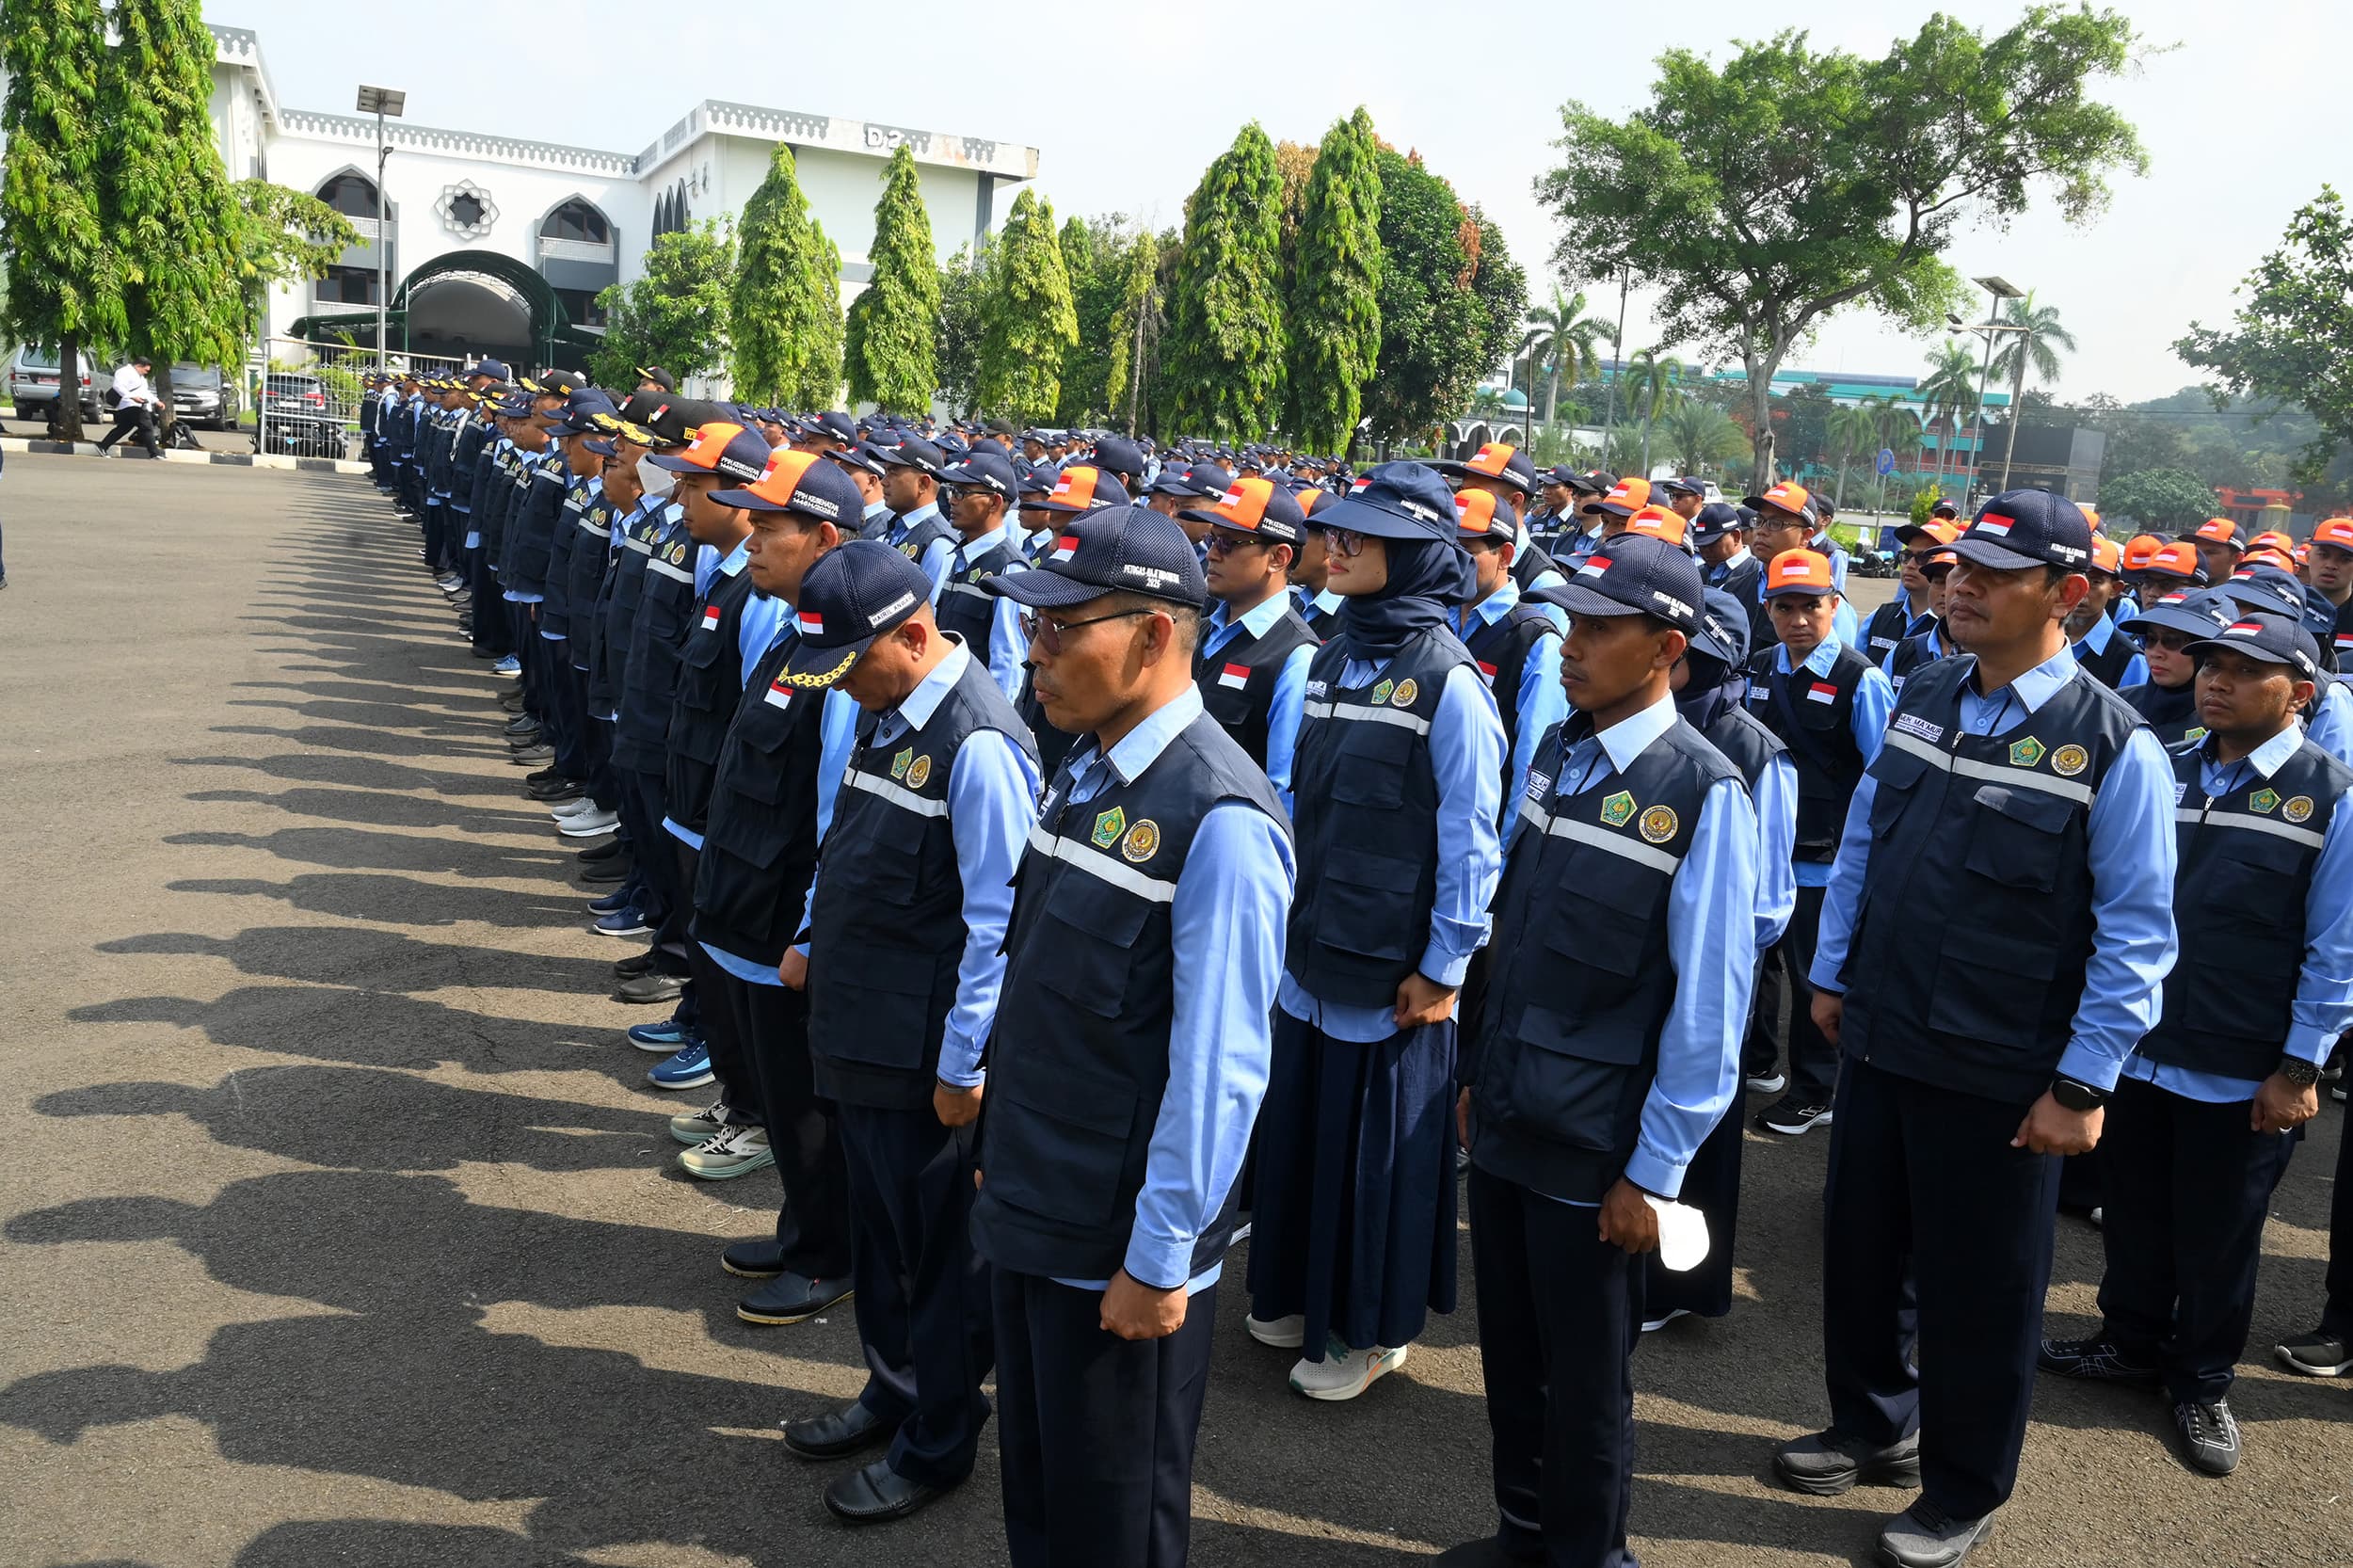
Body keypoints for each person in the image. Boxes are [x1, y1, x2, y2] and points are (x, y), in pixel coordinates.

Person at [1778, 489, 2177, 1568]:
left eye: (1995, 574)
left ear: (2068, 593)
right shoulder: (1925, 690)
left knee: (1980, 1288)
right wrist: (1831, 972)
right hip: (1882, 1030)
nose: (1960, 585)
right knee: (1863, 1251)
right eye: (1959, 567)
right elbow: (1865, 841)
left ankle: (1962, 1486)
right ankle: (1873, 1422)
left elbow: (2137, 935)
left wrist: (2082, 1083)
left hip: (2001, 1066)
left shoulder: (2113, 744)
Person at [972, 506, 1293, 1568]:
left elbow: (1219, 1070)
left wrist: (1160, 1260)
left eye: (1064, 628)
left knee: (1113, 1518)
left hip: (1116, 1242)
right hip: (1038, 1193)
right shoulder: (1087, 765)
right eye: (1035, 627)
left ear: (1155, 635)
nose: (1037, 652)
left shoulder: (1222, 819)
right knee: (1039, 1490)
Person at [1450, 533, 1759, 1568]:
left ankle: (1588, 1555)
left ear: (1667, 649)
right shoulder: (1558, 749)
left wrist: (1655, 1172)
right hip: (1512, 1110)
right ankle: (1525, 1533)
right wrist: (1476, 1075)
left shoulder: (1704, 791)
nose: (1570, 645)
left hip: (1598, 1147)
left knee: (1585, 1382)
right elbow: (1516, 932)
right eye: (1569, 623)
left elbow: (1710, 1008)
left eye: (1597, 628)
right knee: (1513, 1359)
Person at [2039, 609, 2352, 1477]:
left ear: (2299, 693)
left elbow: (2337, 950)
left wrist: (2300, 1067)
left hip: (2238, 1063)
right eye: (2211, 664)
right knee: (2134, 1210)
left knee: (2218, 1236)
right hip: (2136, 1048)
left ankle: (2201, 1380)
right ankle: (2129, 1342)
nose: (2216, 680)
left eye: (2246, 671)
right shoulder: (2162, 763)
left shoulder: (2333, 796)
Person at [776, 541, 1041, 1524]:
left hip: (921, 1054)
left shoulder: (978, 743)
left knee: (936, 1263)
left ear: (916, 635)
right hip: (860, 1029)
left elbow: (997, 926)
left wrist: (964, 1064)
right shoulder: (888, 708)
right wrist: (811, 930)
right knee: (882, 1240)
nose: (842, 684)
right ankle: (891, 1391)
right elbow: (845, 838)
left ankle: (938, 1438)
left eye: (852, 662)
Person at [1245, 461, 1505, 1401]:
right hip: (1314, 948)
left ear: (1422, 554)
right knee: (1302, 1138)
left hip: (1393, 973)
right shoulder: (1330, 657)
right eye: (1337, 531)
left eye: (1366, 536)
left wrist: (1444, 966)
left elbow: (1471, 840)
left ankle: (1368, 1330)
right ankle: (1296, 1292)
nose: (1338, 545)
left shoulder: (1449, 681)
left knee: (1373, 1162)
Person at [682, 446, 867, 1329]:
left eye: (769, 527)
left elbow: (836, 813)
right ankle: (803, 1231)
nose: (750, 540)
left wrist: (809, 933)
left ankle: (829, 1254)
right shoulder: (794, 631)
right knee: (778, 1088)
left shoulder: (844, 665)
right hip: (747, 906)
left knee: (802, 1104)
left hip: (784, 920)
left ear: (825, 539)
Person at [1641, 588, 1797, 1335]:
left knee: (1697, 1151)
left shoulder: (1756, 752)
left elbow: (1770, 901)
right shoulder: (1643, 725)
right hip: (1638, 976)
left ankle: (1679, 1289)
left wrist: (1710, 950)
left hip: (1708, 984)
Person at [1742, 549, 1894, 1134]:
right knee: (1759, 964)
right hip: (1763, 850)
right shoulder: (1760, 668)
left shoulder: (1862, 679)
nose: (1798, 619)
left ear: (1835, 605)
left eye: (1811, 606)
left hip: (1822, 861)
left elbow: (1883, 778)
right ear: (1769, 611)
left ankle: (1816, 1089)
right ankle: (1758, 1063)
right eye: (1785, 607)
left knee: (1814, 976)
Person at [1186, 476, 1317, 789]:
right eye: (1213, 539)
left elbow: (1282, 788)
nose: (1212, 554)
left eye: (1228, 543)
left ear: (1278, 558)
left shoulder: (1295, 657)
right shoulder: (1200, 630)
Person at [1451, 488, 1568, 830]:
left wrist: (1506, 850)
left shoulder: (1536, 642)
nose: (1453, 562)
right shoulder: (1434, 618)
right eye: (1446, 548)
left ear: (1505, 555)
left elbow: (1531, 765)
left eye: (1466, 551)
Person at [931, 448, 1032, 701]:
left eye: (962, 492)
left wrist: (992, 720)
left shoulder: (1009, 568)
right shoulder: (960, 558)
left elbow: (1008, 664)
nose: (952, 500)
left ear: (994, 502)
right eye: (952, 491)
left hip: (975, 709)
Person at [2116, 589, 2233, 747]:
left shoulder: (2225, 724)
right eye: (2150, 639)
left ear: (2205, 651)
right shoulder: (2118, 704)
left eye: (2172, 641)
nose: (2156, 653)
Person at [1867, 520, 1959, 663]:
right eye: (1907, 555)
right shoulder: (1878, 617)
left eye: (1923, 558)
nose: (1910, 565)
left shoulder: (1958, 630)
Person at [2064, 536, 2148, 688]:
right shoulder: (2038, 638)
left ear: (2115, 589)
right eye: (2073, 578)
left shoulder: (2130, 661)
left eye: (2095, 582)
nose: (2081, 590)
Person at [1883, 549, 1961, 693]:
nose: (1945, 592)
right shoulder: (1902, 652)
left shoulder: (1985, 661)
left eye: (1954, 582)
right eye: (1938, 582)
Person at [95, 355, 163, 457]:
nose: (146, 372)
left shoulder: (141, 377)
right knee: (147, 427)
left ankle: (102, 446)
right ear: (139, 366)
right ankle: (155, 454)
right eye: (146, 370)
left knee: (123, 428)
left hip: (138, 405)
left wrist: (156, 401)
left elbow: (145, 392)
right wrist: (132, 397)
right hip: (130, 405)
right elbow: (118, 386)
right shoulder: (124, 372)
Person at [2184, 516, 2243, 587]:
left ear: (2237, 558)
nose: (2199, 559)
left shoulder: (2244, 593)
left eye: (2210, 552)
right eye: (2196, 551)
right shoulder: (2178, 587)